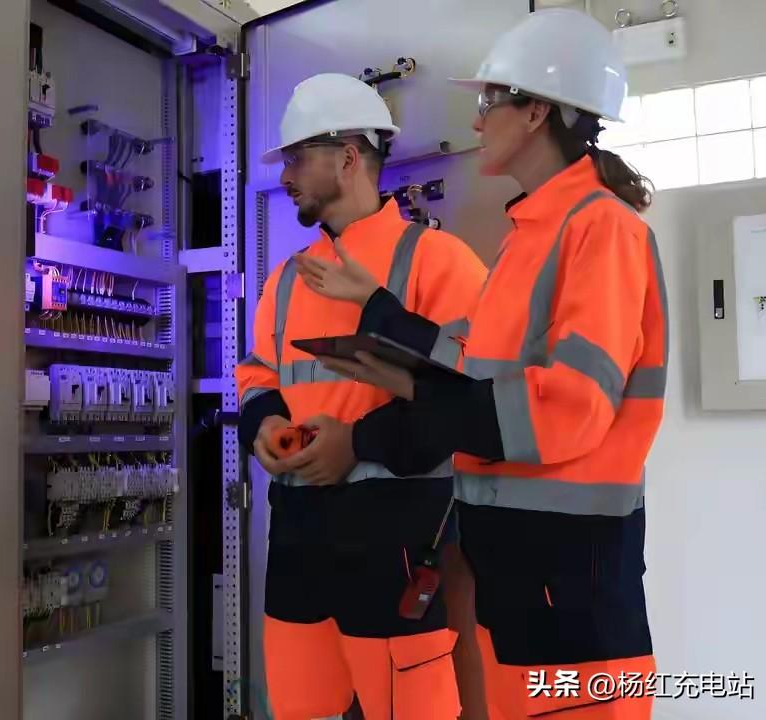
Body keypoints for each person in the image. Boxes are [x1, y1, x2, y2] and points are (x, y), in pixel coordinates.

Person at [294, 9, 666, 720]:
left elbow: (570, 406)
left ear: (537, 112)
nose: (476, 118)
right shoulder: (529, 235)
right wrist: (385, 334)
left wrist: (423, 405)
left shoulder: (602, 229)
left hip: (573, 581)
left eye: (490, 99)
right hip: (518, 570)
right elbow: (476, 357)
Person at [235, 72, 490, 720]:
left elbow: (473, 402)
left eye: (297, 157)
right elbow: (258, 376)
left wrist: (356, 444)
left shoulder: (441, 262)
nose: (285, 175)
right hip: (297, 542)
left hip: (397, 540)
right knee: (302, 708)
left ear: (347, 157)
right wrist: (263, 425)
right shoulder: (284, 282)